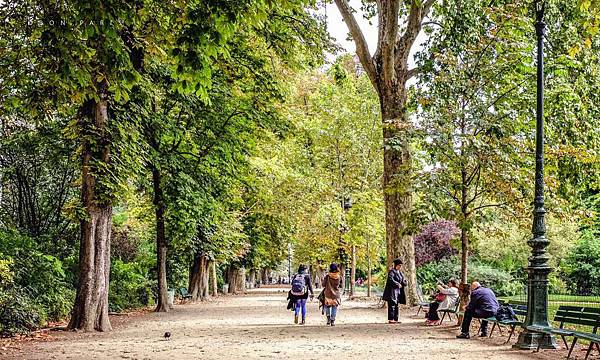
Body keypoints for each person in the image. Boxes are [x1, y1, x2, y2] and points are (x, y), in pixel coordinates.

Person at [382, 258, 407, 324]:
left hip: (398, 292)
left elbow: (403, 280)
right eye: (399, 265)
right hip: (392, 291)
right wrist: (397, 284)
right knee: (391, 305)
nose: (400, 267)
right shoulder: (392, 272)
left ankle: (396, 319)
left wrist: (404, 283)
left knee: (396, 305)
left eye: (401, 265)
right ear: (396, 265)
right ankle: (391, 319)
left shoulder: (400, 273)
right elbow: (390, 280)